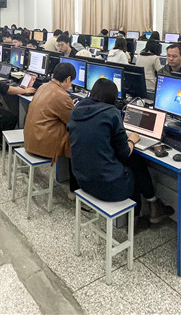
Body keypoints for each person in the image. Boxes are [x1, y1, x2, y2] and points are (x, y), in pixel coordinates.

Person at [67, 78, 172, 225]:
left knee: (133, 161)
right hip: (108, 188)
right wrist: (132, 140)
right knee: (135, 164)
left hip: (83, 181)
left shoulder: (76, 109)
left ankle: (148, 209)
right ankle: (137, 217)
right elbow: (124, 152)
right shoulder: (111, 113)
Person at [23, 63, 79, 198]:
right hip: (42, 143)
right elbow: (72, 122)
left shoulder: (43, 86)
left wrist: (69, 105)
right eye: (71, 81)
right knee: (78, 141)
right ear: (68, 79)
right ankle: (75, 190)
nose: (70, 84)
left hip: (31, 138)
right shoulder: (62, 96)